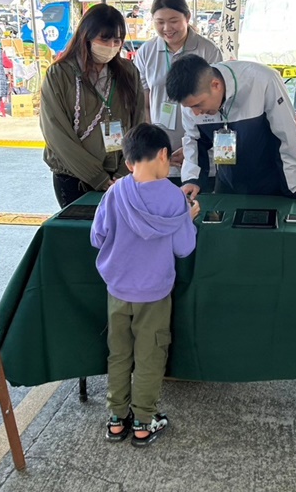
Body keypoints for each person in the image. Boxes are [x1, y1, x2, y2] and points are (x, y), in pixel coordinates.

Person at [91, 123, 199, 447]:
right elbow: (184, 249)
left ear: (128, 162)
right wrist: (187, 219)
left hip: (117, 290)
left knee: (119, 354)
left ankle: (116, 419)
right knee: (150, 356)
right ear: (164, 154)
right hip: (154, 293)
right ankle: (143, 422)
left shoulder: (114, 193)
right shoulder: (174, 198)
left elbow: (97, 237)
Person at [39, 3, 146, 207]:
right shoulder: (60, 74)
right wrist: (97, 177)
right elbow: (56, 132)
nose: (111, 46)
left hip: (119, 176)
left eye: (117, 40)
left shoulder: (128, 72)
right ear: (86, 36)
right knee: (82, 227)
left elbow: (138, 123)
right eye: (104, 39)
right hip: (73, 177)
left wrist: (125, 171)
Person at [165, 54, 296, 199]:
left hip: (272, 183)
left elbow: (286, 136)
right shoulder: (192, 99)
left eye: (198, 105)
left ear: (216, 85)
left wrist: (293, 187)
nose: (196, 113)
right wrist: (192, 180)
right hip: (227, 183)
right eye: (189, 107)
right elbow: (194, 140)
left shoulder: (263, 81)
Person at [133, 0, 223, 182]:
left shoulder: (208, 50)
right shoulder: (146, 52)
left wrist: (193, 147)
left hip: (201, 151)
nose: (167, 28)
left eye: (173, 21)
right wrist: (153, 144)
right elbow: (144, 104)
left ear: (187, 17)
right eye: (160, 22)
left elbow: (217, 103)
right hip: (160, 155)